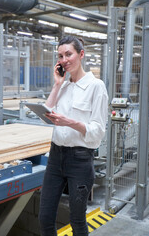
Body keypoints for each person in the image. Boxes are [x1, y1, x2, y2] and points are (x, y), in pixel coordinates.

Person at [38, 35, 108, 236]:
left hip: (80, 159)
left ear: (81, 54)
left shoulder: (96, 87)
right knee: (45, 218)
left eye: (69, 54)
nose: (64, 60)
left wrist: (70, 122)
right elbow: (46, 114)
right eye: (60, 56)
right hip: (55, 157)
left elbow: (97, 132)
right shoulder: (64, 86)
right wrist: (57, 84)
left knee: (77, 220)